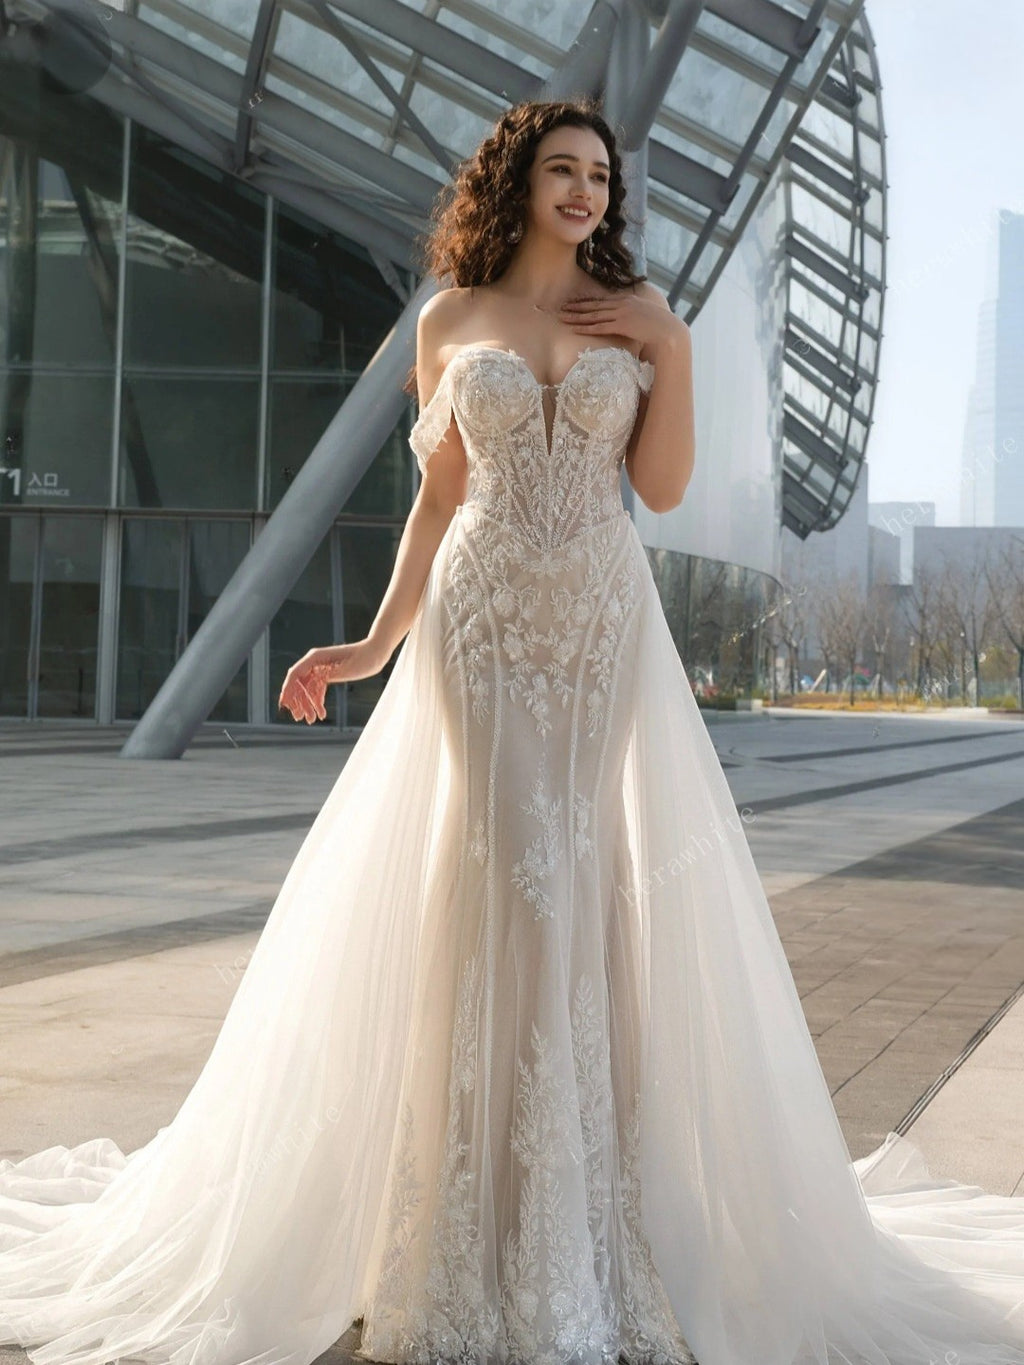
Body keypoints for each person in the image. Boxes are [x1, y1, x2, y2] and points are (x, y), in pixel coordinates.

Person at [1, 97, 1023, 1365]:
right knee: (494, 873)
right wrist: (371, 645)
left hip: (596, 622)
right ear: (516, 180)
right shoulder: (449, 319)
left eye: (601, 175)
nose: (587, 191)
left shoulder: (637, 321)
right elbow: (436, 507)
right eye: (564, 170)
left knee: (577, 879)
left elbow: (655, 491)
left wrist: (671, 346)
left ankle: (583, 1226)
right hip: (481, 624)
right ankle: (462, 1228)